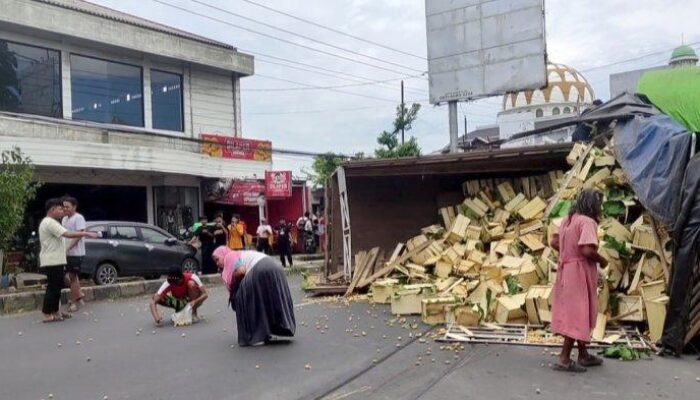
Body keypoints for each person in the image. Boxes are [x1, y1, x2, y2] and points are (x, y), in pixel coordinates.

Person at [550, 189, 608, 372]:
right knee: (578, 315)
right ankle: (564, 358)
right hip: (579, 272)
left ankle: (583, 354)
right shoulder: (588, 222)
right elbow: (587, 251)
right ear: (593, 205)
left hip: (566, 269)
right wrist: (603, 260)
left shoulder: (569, 219)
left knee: (577, 312)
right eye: (599, 203)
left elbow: (553, 242)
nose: (601, 207)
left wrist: (568, 252)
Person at [212, 246, 296, 346]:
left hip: (260, 268)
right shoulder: (241, 254)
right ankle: (266, 331)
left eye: (217, 259)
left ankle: (256, 335)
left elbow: (241, 271)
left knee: (242, 296)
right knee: (264, 301)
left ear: (223, 253)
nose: (217, 264)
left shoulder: (229, 256)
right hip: (275, 267)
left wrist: (235, 288)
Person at [39, 198, 98, 323]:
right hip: (52, 260)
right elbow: (68, 234)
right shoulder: (50, 222)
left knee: (57, 286)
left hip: (56, 260)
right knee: (53, 287)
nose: (62, 211)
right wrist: (86, 234)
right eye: (60, 208)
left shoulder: (51, 221)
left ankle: (56, 311)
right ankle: (47, 313)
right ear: (52, 209)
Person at [61, 196, 87, 312]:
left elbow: (79, 235)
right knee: (71, 277)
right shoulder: (64, 219)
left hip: (76, 253)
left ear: (74, 207)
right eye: (64, 206)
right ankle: (79, 295)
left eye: (67, 206)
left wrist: (68, 247)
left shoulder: (79, 218)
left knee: (72, 277)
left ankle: (73, 302)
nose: (65, 209)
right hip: (67, 253)